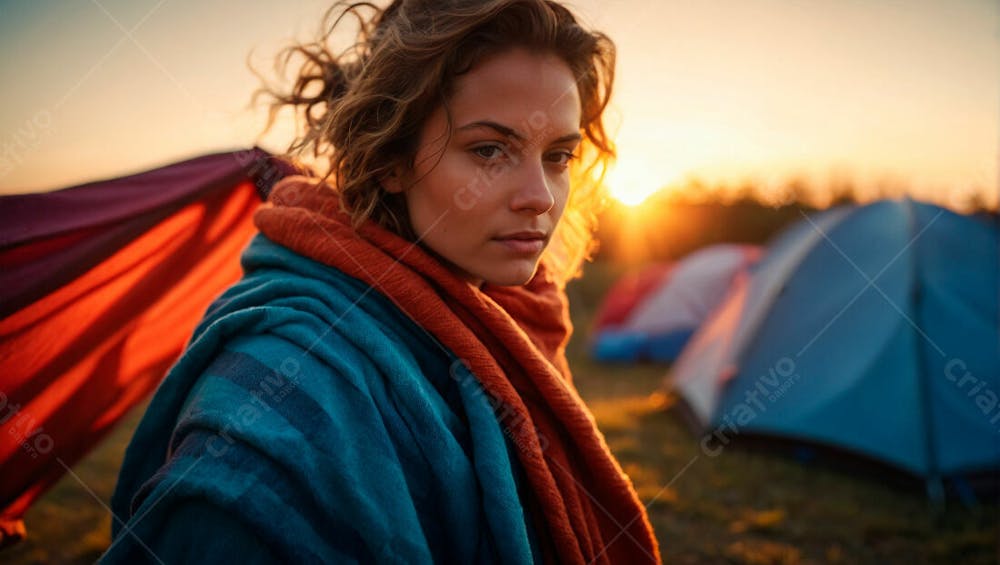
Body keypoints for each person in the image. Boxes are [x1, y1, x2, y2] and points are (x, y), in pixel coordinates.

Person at [101, 0, 660, 563]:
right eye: (489, 150)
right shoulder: (289, 381)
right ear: (391, 158)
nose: (539, 196)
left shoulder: (518, 313)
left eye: (558, 155)